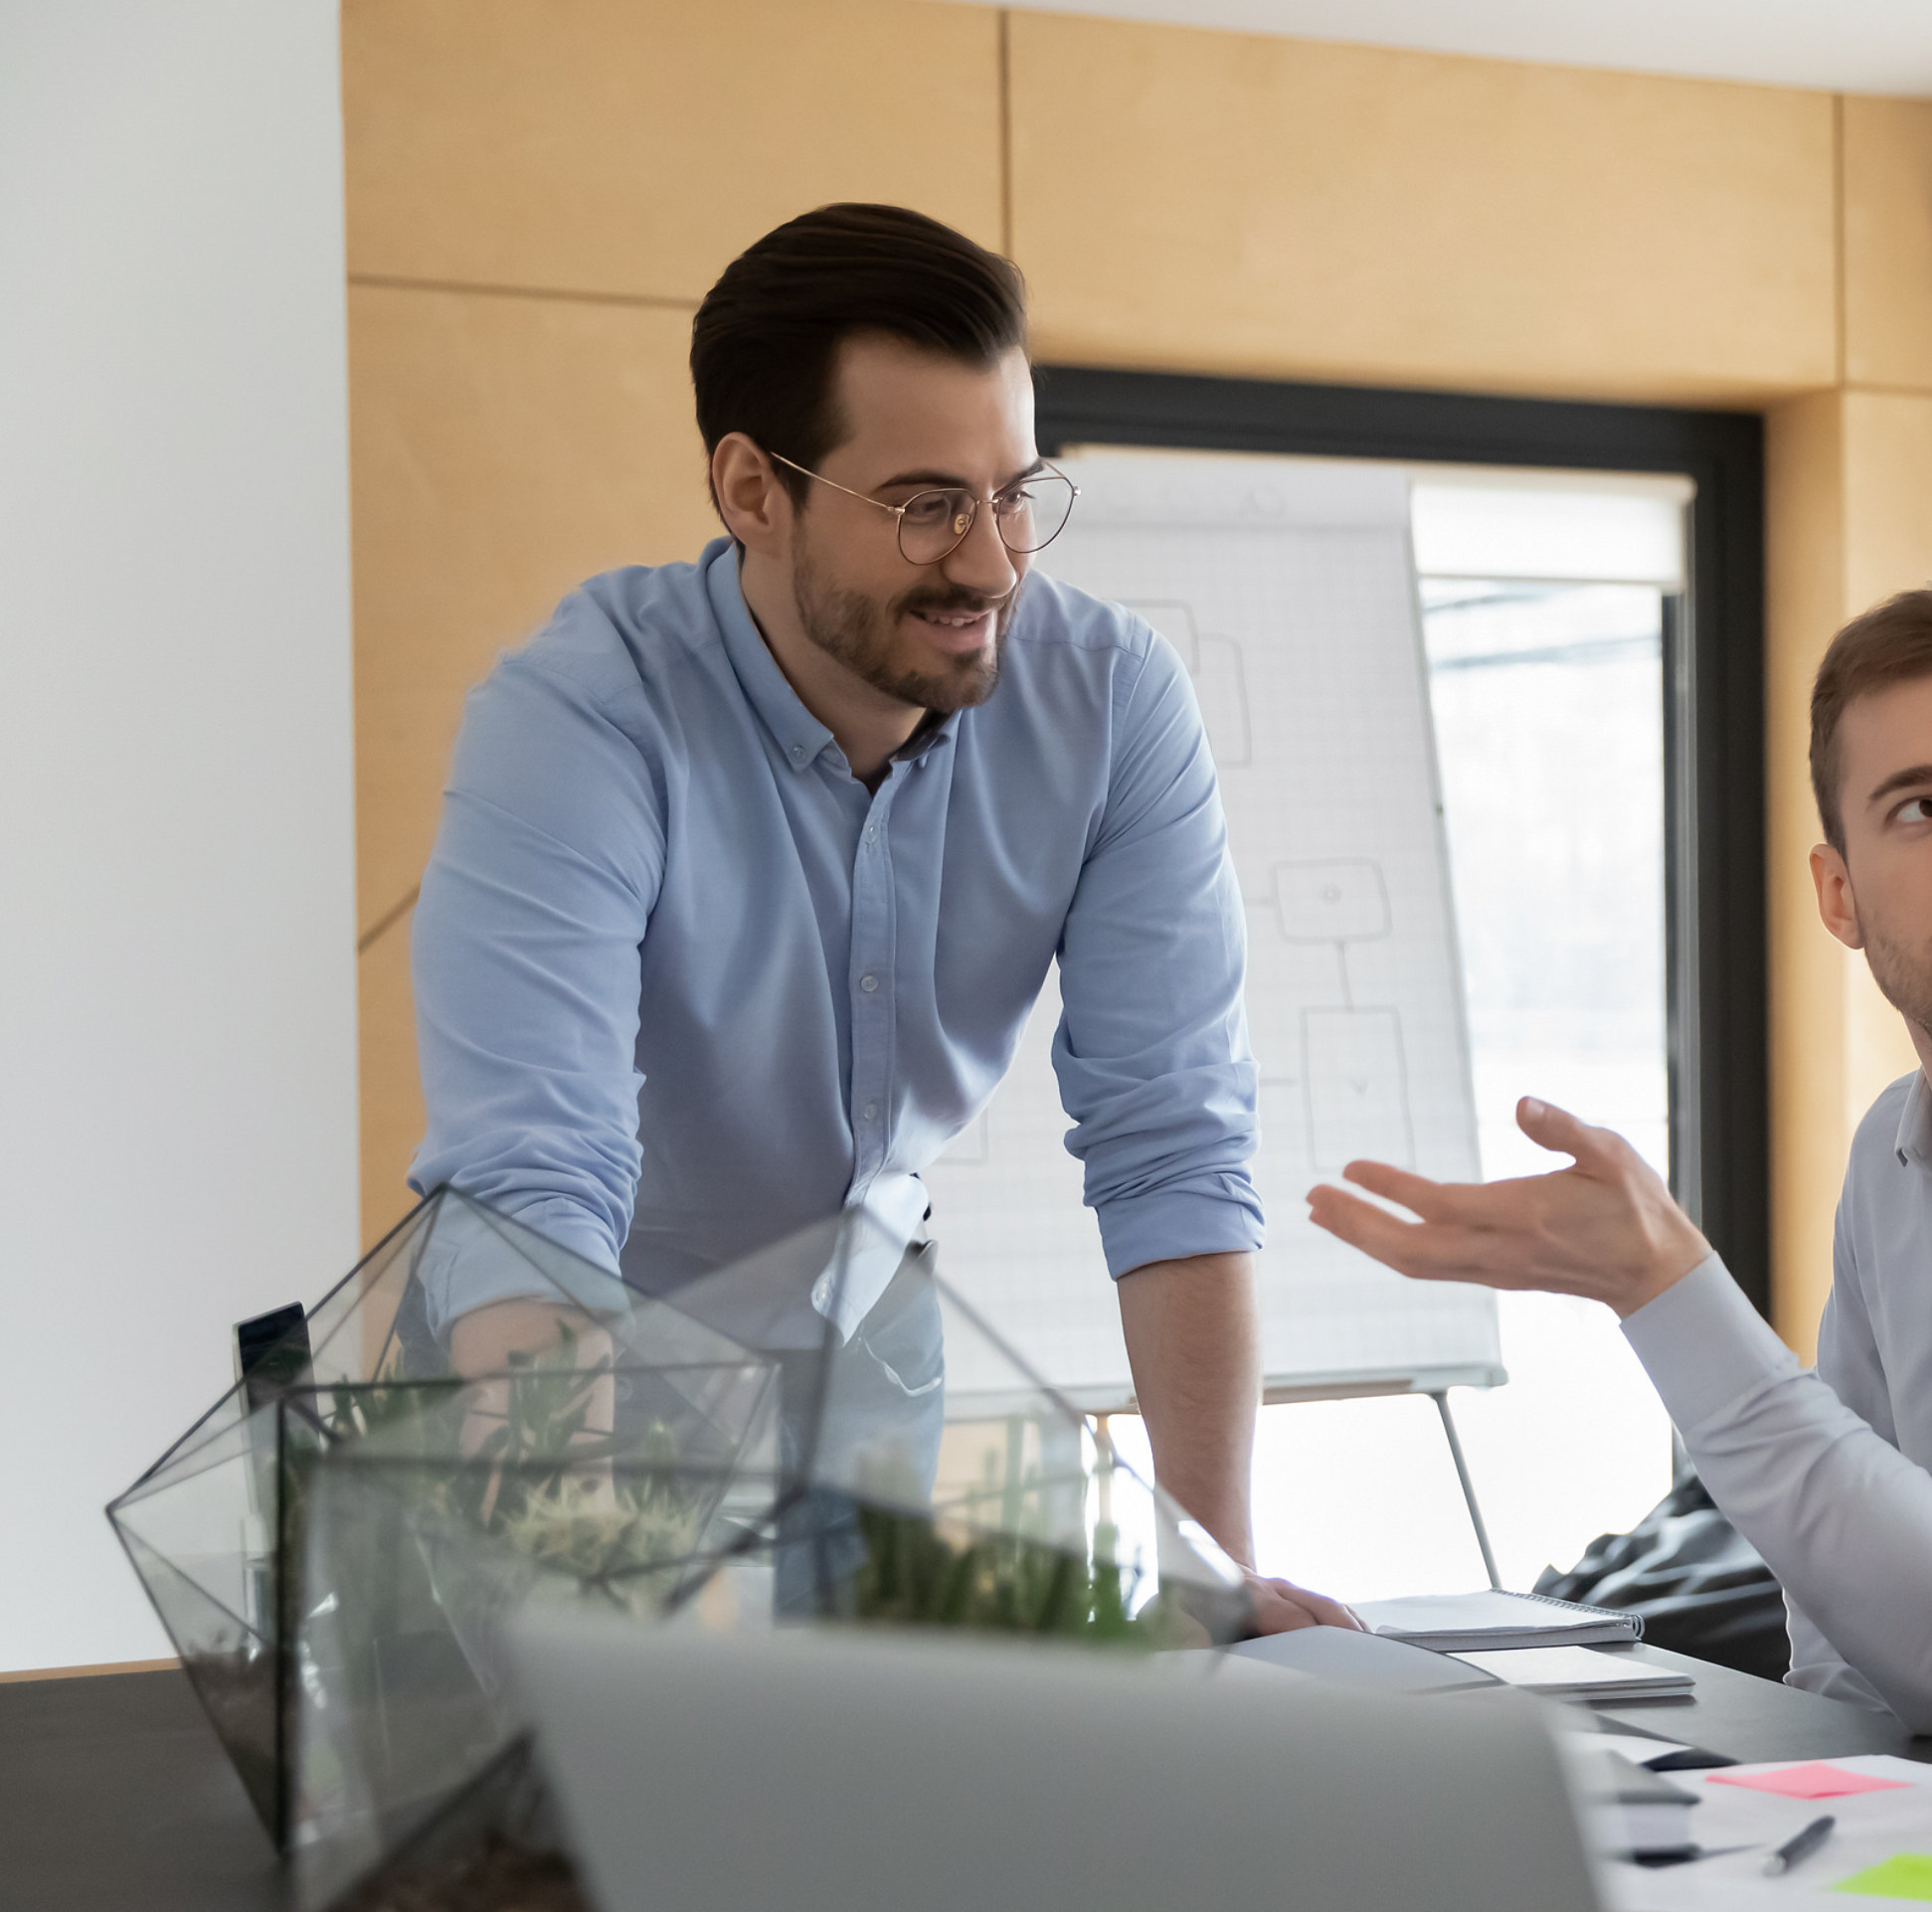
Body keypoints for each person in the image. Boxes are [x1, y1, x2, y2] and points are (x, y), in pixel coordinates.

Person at [406, 202, 1345, 1627]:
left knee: (879, 1812)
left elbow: (1173, 1139)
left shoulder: (1107, 700)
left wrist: (1212, 1581)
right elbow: (539, 1185)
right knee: (577, 1814)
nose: (991, 562)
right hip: (573, 1353)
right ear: (751, 490)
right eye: (924, 503)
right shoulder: (581, 714)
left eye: (1013, 491)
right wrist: (575, 1553)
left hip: (868, 1334)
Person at [1313, 588, 1932, 1749]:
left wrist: (1665, 1288)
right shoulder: (1894, 1150)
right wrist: (1811, 1809)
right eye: (1920, 809)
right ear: (1837, 894)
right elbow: (1845, 1635)